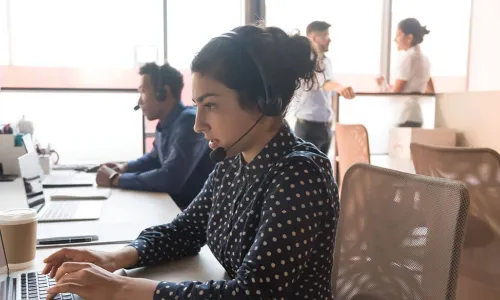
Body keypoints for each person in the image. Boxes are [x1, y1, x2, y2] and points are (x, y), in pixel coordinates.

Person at [42, 24, 340, 300]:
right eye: (198, 105)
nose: (198, 124)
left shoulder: (300, 174)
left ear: (265, 101)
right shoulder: (232, 164)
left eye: (211, 105)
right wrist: (114, 257)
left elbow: (252, 294)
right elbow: (184, 231)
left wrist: (120, 287)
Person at [95, 62, 214, 209]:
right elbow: (154, 159)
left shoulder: (189, 123)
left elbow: (170, 178)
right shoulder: (166, 124)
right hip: (173, 207)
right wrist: (124, 167)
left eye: (143, 92)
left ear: (163, 92)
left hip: (193, 216)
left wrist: (116, 179)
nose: (139, 102)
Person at [293, 21, 355, 155]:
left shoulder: (327, 61)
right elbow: (323, 83)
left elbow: (329, 92)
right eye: (325, 36)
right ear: (313, 38)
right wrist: (341, 87)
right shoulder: (306, 61)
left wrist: (333, 118)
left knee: (322, 171)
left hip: (325, 127)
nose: (329, 39)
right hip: (308, 128)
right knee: (307, 172)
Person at [376, 18, 435, 128]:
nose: (395, 39)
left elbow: (396, 94)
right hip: (417, 117)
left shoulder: (407, 59)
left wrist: (382, 86)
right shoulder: (425, 60)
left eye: (398, 35)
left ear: (409, 37)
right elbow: (431, 91)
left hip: (404, 116)